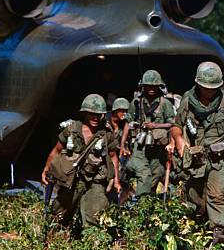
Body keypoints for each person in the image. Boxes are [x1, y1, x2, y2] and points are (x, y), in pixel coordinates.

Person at [168, 61, 224, 244]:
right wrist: (179, 140)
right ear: (198, 84)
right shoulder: (187, 100)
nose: (209, 91)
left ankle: (219, 233)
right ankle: (199, 224)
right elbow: (176, 126)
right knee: (195, 196)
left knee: (218, 192)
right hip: (196, 158)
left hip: (220, 158)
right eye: (205, 87)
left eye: (213, 88)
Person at [41, 94, 120, 228]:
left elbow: (113, 157)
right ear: (84, 113)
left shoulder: (106, 134)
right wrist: (46, 169)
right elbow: (56, 151)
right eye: (91, 114)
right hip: (71, 180)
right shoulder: (71, 130)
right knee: (59, 213)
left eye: (99, 114)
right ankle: (59, 236)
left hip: (95, 180)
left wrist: (116, 180)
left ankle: (90, 241)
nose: (95, 118)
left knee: (95, 213)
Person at [120, 70, 175, 197]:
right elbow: (128, 123)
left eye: (154, 86)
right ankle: (141, 203)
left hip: (158, 147)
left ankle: (148, 201)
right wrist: (123, 145)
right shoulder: (136, 102)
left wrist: (155, 125)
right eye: (148, 86)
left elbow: (172, 124)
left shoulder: (165, 103)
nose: (151, 89)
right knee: (144, 174)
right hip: (140, 145)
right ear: (143, 86)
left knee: (156, 174)